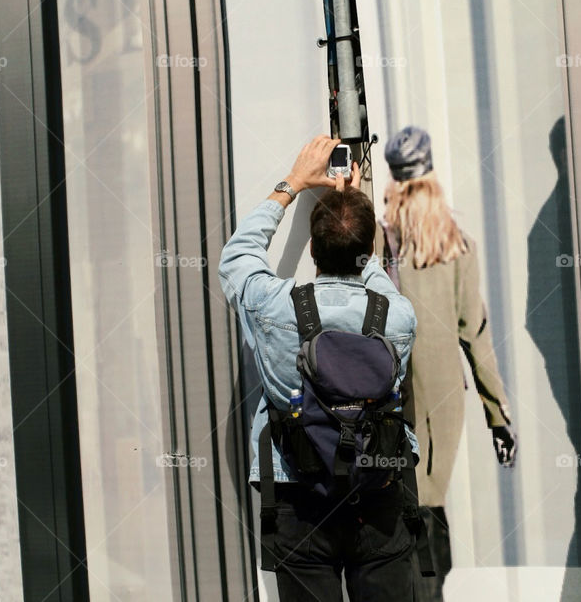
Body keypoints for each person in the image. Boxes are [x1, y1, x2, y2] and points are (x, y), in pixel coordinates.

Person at [218, 135, 421, 602]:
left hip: (299, 494)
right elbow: (374, 280)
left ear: (311, 249)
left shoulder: (275, 306)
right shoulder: (397, 315)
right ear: (367, 249)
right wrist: (349, 202)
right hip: (378, 490)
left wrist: (290, 184)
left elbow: (237, 257)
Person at [377, 126, 517, 602]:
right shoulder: (458, 247)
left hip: (386, 402)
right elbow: (475, 339)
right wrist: (499, 418)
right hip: (440, 407)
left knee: (403, 516)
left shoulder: (379, 245)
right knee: (430, 508)